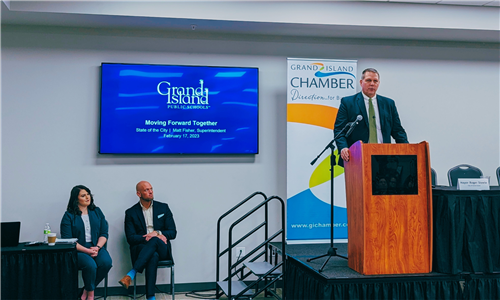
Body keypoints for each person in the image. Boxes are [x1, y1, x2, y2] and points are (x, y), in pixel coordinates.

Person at [333, 68, 408, 166]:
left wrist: (407, 150)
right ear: (361, 82)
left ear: (378, 83)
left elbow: (397, 130)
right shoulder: (348, 103)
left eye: (375, 81)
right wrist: (343, 148)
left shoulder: (389, 104)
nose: (372, 84)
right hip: (357, 157)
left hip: (384, 157)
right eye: (368, 80)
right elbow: (339, 130)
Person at [119, 181, 177, 300]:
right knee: (153, 255)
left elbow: (173, 232)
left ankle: (132, 273)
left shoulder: (163, 207)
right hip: (142, 248)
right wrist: (147, 237)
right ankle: (151, 297)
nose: (150, 192)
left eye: (151, 189)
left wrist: (156, 233)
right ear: (138, 193)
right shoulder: (131, 212)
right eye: (146, 190)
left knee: (155, 241)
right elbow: (131, 238)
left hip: (162, 247)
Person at [60, 185, 112, 300]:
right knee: (90, 265)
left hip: (96, 247)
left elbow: (104, 233)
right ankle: (91, 295)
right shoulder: (68, 216)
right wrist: (87, 251)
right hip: (78, 250)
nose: (87, 197)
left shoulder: (97, 211)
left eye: (88, 194)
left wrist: (97, 247)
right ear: (76, 199)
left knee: (106, 262)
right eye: (83, 195)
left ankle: (86, 289)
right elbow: (68, 240)